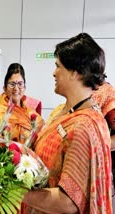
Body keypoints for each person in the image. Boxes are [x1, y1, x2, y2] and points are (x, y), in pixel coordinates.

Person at [22, 33, 113, 213]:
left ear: (75, 72)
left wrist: (16, 192)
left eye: (58, 66)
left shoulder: (83, 127)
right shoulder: (67, 113)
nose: (54, 72)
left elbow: (68, 202)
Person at [0, 63, 44, 145]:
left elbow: (41, 138)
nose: (16, 88)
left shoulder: (32, 114)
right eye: (12, 84)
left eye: (20, 84)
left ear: (25, 88)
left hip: (27, 156)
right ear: (4, 89)